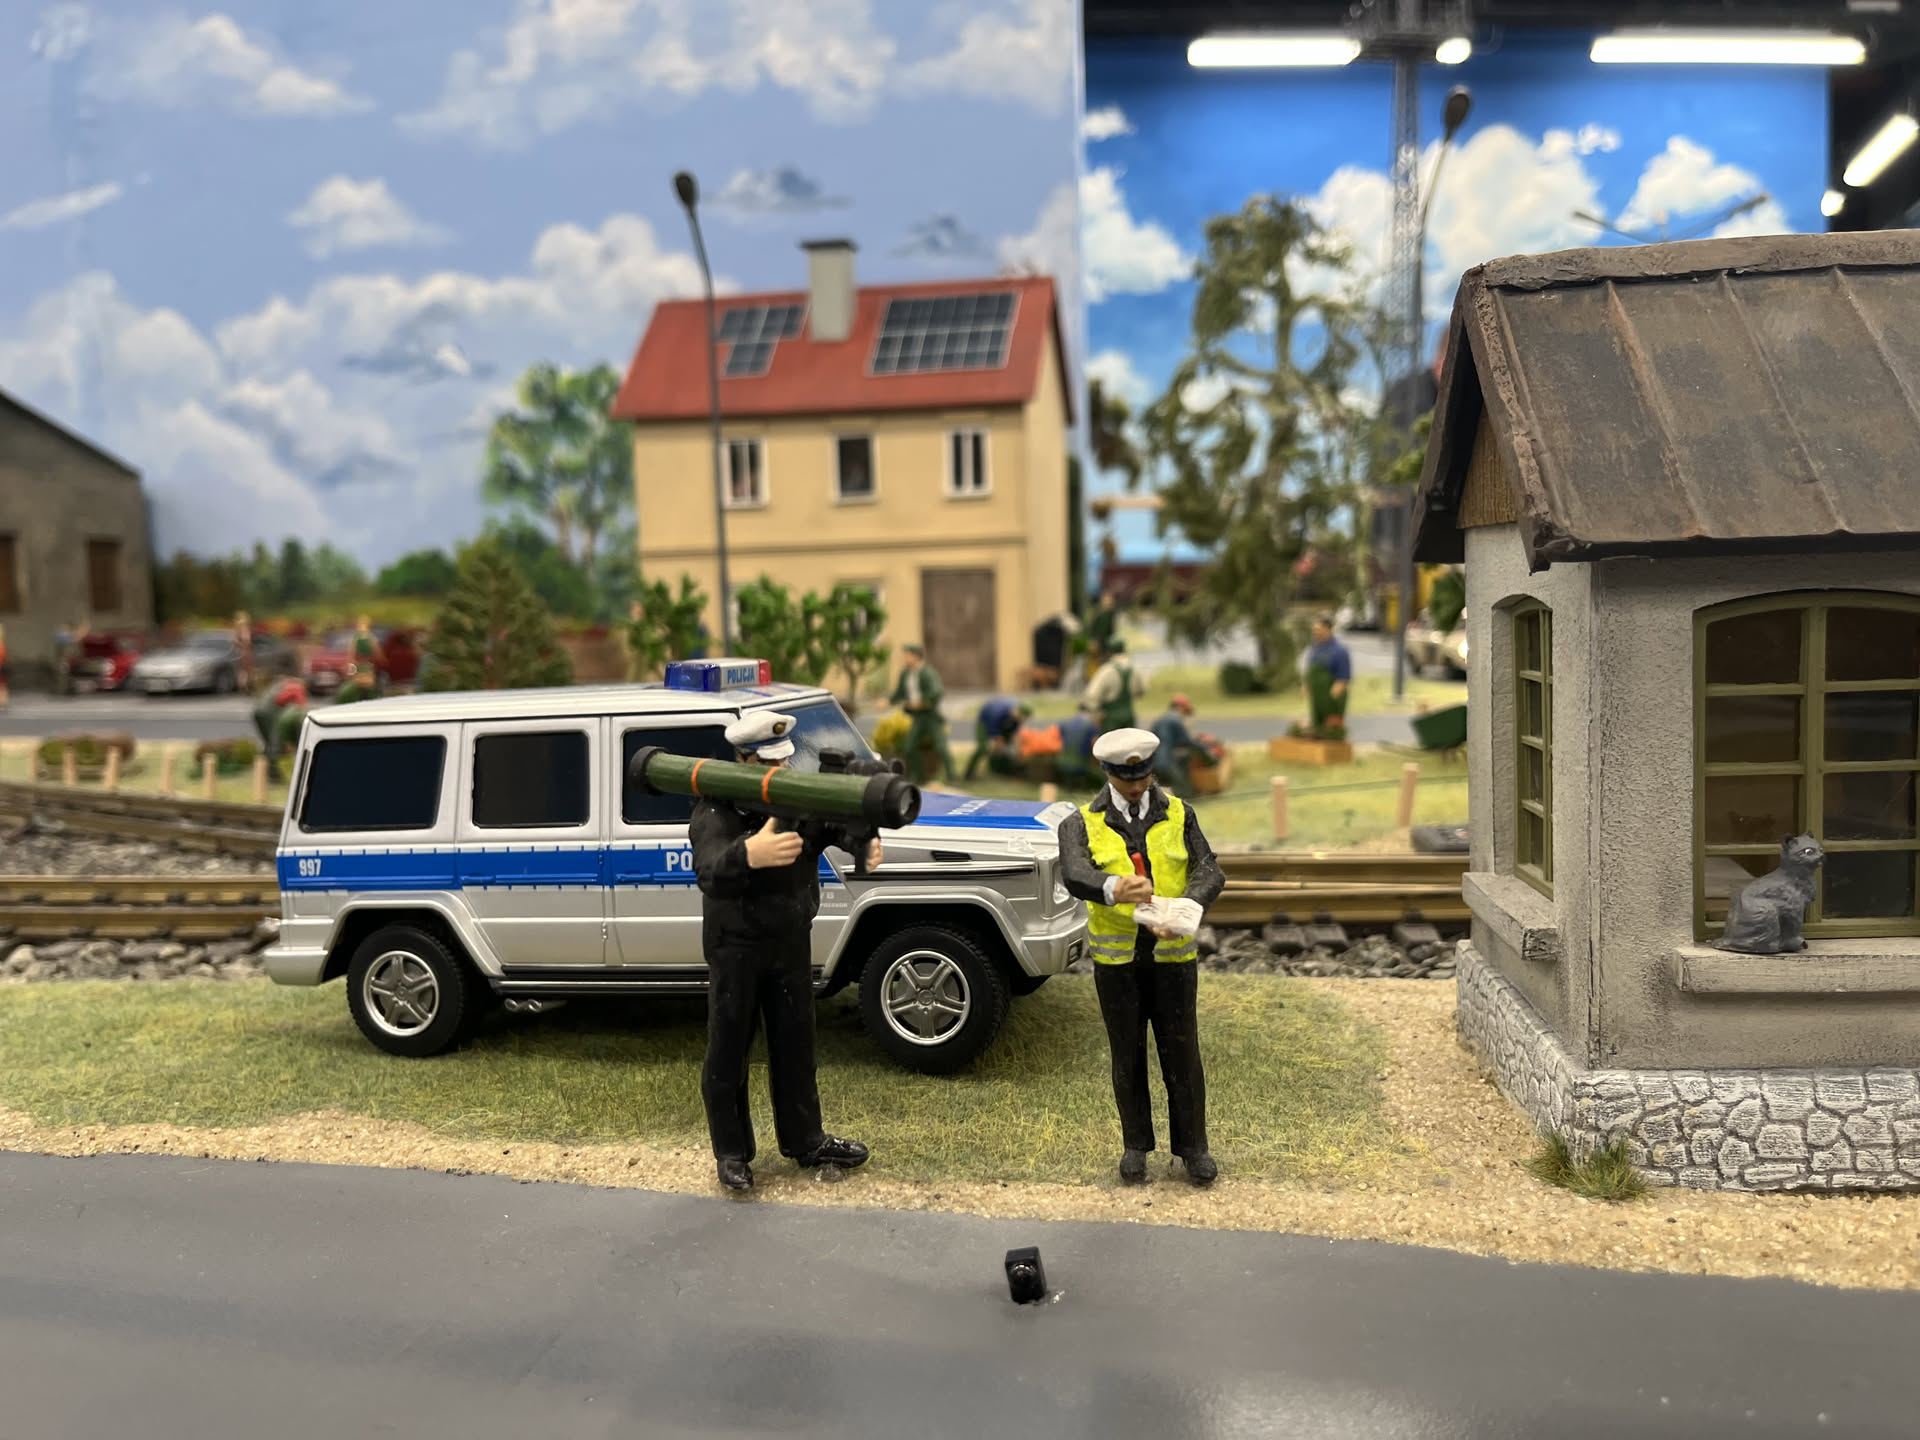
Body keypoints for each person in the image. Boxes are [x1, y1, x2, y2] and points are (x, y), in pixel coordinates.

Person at [690, 711, 876, 1192]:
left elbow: (833, 827)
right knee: (729, 1047)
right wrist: (748, 853)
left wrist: (862, 841)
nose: (781, 771)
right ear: (743, 759)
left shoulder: (795, 800)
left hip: (790, 941)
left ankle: (805, 1139)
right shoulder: (717, 810)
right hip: (736, 947)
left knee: (796, 1045)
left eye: (785, 761)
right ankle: (732, 1152)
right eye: (769, 763)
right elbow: (709, 869)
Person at [1057, 728, 1226, 1187]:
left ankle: (1193, 1148)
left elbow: (1209, 869)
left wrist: (1187, 907)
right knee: (1126, 1057)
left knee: (1183, 1054)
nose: (1135, 786)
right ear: (1107, 773)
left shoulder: (1180, 813)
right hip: (1118, 966)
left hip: (1173, 959)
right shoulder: (1079, 822)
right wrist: (1113, 887)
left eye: (1143, 776)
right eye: (1125, 778)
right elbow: (1074, 873)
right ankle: (1135, 1146)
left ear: (1152, 771)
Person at [889, 643, 953, 785]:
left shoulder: (927, 673)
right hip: (917, 716)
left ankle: (953, 777)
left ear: (916, 656)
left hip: (931, 715)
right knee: (909, 746)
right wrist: (889, 701)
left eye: (907, 655)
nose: (904, 658)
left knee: (941, 746)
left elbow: (937, 691)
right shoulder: (905, 674)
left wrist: (922, 702)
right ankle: (918, 775)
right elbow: (899, 693)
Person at [1084, 633, 1146, 732]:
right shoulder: (1134, 669)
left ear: (1109, 652)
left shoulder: (1107, 670)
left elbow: (1092, 694)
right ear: (1124, 650)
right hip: (1129, 715)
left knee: (1110, 741)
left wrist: (1096, 713)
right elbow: (1142, 690)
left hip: (1110, 717)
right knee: (1129, 740)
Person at [253, 677, 308, 781]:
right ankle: (273, 775)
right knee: (274, 744)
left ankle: (265, 771)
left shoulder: (281, 684)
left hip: (259, 712)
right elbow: (282, 700)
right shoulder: (297, 688)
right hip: (268, 713)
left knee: (269, 743)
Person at [964, 696, 1032, 780]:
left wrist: (1018, 749)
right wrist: (996, 741)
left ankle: (997, 769)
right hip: (985, 724)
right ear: (1017, 712)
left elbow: (1015, 732)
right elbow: (994, 732)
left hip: (1001, 726)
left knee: (1004, 747)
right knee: (983, 748)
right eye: (1020, 717)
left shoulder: (1017, 718)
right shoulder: (998, 712)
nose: (1020, 720)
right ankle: (969, 772)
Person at [1305, 614, 1352, 734]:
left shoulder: (1340, 651)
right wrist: (1307, 685)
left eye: (1318, 629)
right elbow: (1311, 669)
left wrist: (1332, 698)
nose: (1315, 632)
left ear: (1328, 629)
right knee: (1317, 729)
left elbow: (1343, 678)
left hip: (1331, 699)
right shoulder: (1315, 649)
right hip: (1317, 699)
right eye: (1314, 630)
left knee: (1331, 730)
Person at [1150, 694, 1201, 794]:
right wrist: (1208, 753)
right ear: (1179, 708)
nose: (1185, 715)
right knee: (1185, 791)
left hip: (1154, 764)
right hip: (1167, 763)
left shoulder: (1159, 720)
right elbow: (1188, 741)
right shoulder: (1176, 720)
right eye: (1185, 711)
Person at [352, 614, 387, 696]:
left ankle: (367, 695)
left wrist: (381, 659)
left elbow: (377, 651)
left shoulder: (369, 637)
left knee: (367, 683)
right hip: (361, 663)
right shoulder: (364, 637)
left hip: (367, 663)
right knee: (362, 683)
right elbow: (352, 652)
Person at [1085, 590, 1120, 663]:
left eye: (1109, 601)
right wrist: (1093, 641)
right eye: (1106, 601)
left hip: (1109, 646)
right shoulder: (1098, 615)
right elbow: (1093, 629)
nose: (1107, 603)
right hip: (1100, 646)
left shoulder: (1113, 615)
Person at [233, 611, 256, 695]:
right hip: (246, 651)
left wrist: (240, 646)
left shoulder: (237, 629)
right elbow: (247, 640)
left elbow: (235, 641)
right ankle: (247, 688)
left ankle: (244, 687)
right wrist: (245, 647)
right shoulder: (244, 628)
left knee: (243, 671)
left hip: (241, 651)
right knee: (248, 670)